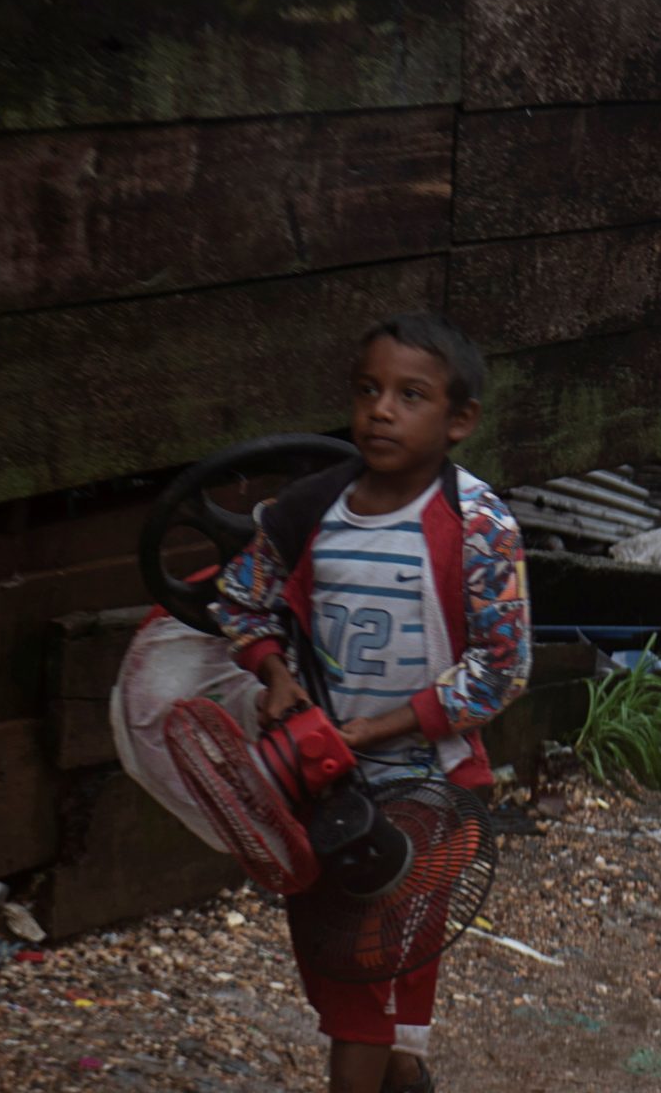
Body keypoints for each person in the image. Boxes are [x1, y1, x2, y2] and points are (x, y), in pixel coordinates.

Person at [209, 312, 530, 1093]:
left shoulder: (478, 526)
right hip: (322, 789)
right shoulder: (311, 510)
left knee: (362, 977)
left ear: (460, 421)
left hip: (432, 788)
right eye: (368, 390)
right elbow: (239, 602)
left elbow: (501, 667)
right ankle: (402, 1071)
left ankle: (378, 1067)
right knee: (343, 960)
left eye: (410, 395)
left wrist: (377, 729)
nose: (381, 410)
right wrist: (276, 679)